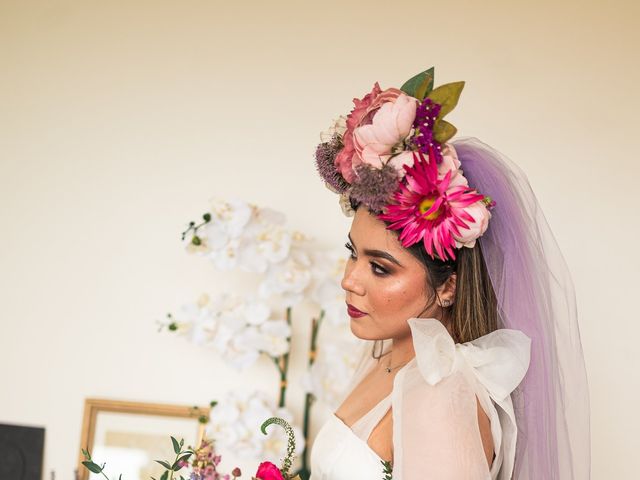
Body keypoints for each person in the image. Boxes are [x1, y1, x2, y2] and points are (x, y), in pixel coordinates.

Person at [309, 68, 590, 479]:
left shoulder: (442, 393)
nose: (350, 280)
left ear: (449, 286)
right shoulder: (389, 358)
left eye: (380, 268)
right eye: (354, 254)